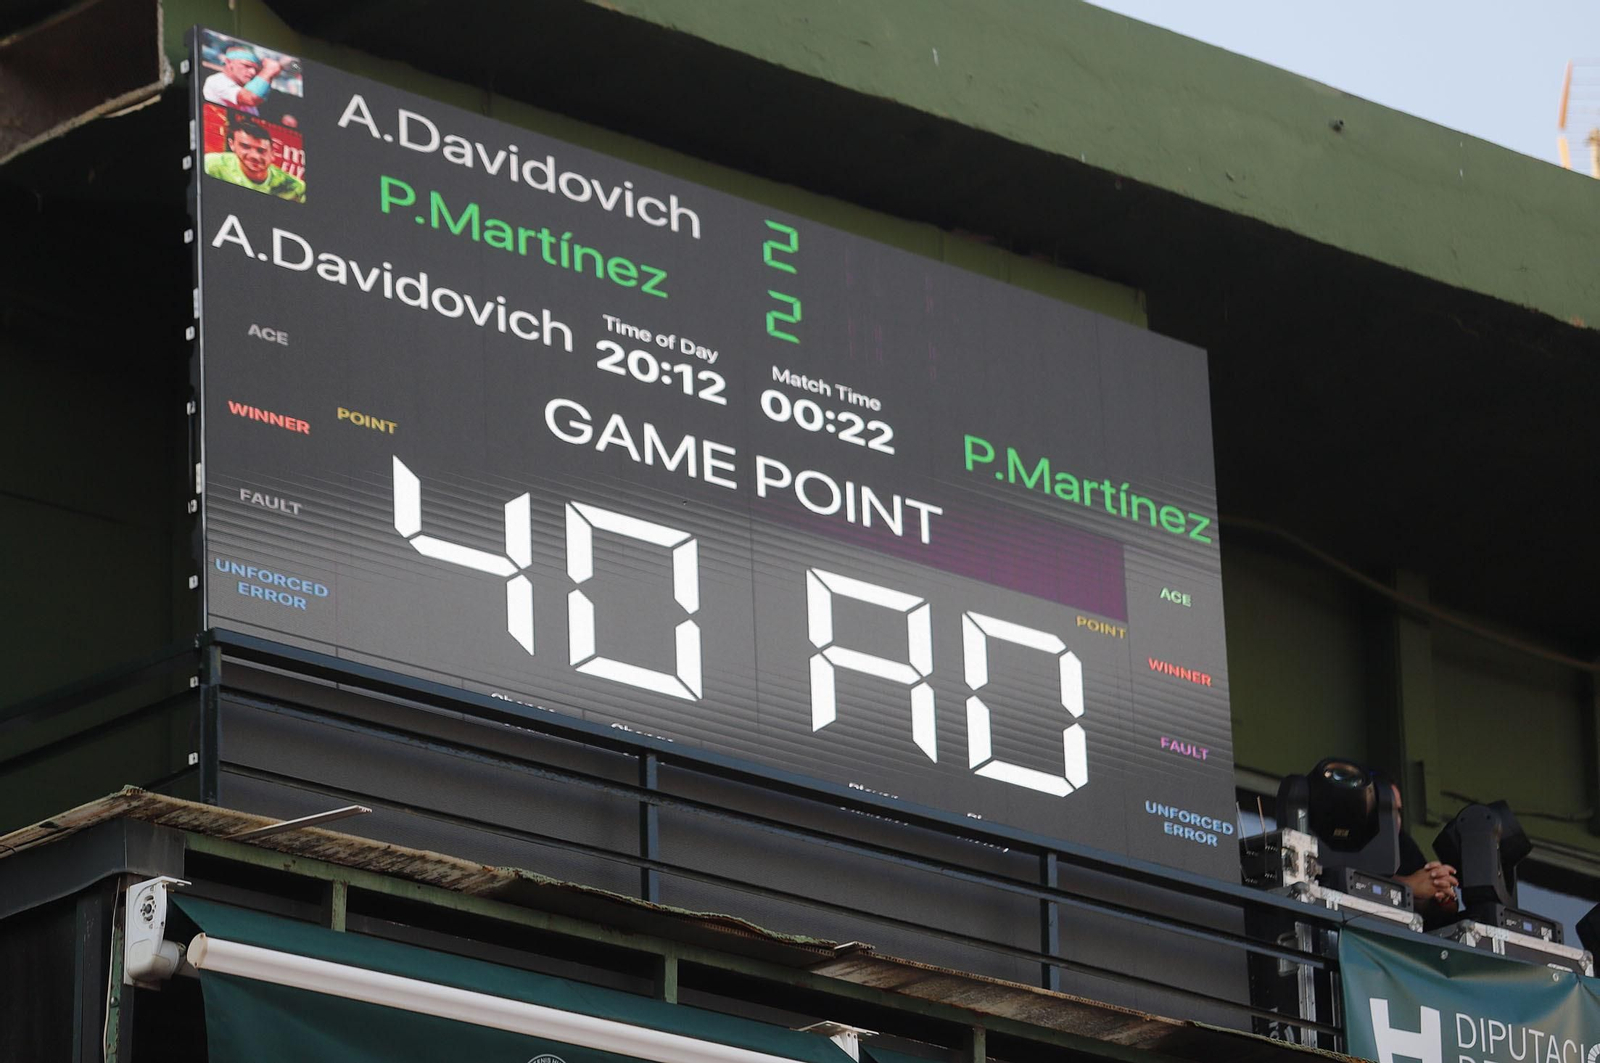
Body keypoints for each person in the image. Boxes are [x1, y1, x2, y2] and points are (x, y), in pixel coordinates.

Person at [1390, 782, 1460, 925]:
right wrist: (1407, 885)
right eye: (1388, 809)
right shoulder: (1348, 835)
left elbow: (1421, 901)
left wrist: (1441, 893)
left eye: (1398, 811)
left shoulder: (1403, 842)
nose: (1394, 817)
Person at [204, 115, 306, 203]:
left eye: (261, 150)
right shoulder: (211, 165)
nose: (254, 156)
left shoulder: (295, 187)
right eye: (245, 146)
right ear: (232, 144)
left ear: (272, 153)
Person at [202, 45, 283, 115]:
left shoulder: (246, 88)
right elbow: (250, 98)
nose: (253, 72)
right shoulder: (217, 80)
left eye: (256, 69)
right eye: (247, 66)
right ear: (229, 62)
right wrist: (268, 70)